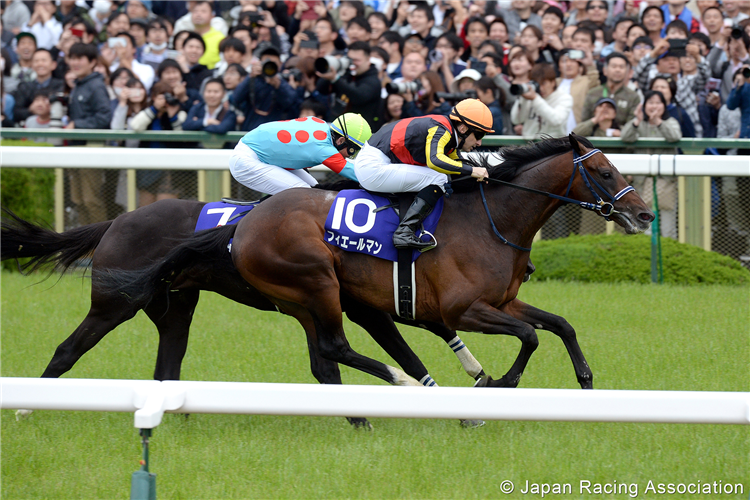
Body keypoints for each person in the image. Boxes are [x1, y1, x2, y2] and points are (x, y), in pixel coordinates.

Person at [354, 99, 493, 250]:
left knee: (443, 175)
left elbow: (458, 164)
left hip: (378, 162)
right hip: (373, 167)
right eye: (479, 135)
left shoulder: (449, 137)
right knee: (439, 177)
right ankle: (404, 232)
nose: (479, 142)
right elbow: (435, 160)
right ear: (464, 128)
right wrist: (473, 171)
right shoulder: (441, 129)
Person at [228, 113, 372, 195]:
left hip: (260, 153)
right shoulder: (322, 149)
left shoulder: (321, 124)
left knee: (318, 191)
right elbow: (354, 172)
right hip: (247, 160)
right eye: (352, 151)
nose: (350, 156)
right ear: (341, 140)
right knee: (305, 196)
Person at [621, 90, 682, 238]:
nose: (654, 106)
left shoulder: (670, 122)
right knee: (644, 225)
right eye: (650, 102)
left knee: (668, 227)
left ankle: (667, 256)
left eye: (658, 102)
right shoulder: (639, 123)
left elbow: (674, 137)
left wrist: (658, 122)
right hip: (642, 182)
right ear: (644, 105)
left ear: (664, 105)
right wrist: (636, 120)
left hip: (666, 182)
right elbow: (625, 137)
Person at [65, 41, 113, 225]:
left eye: (80, 58)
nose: (75, 62)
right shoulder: (79, 84)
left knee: (91, 200)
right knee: (79, 200)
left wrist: (76, 124)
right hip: (77, 148)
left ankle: (98, 246)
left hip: (91, 148)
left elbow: (104, 118)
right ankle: (83, 247)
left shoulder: (96, 85)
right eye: (72, 58)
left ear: (93, 61)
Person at [130, 80, 189, 206]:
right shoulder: (147, 112)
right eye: (161, 97)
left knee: (165, 210)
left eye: (168, 96)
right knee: (145, 210)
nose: (165, 101)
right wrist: (154, 109)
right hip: (147, 166)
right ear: (153, 97)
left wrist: (172, 116)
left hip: (171, 169)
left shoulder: (180, 113)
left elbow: (182, 137)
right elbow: (135, 126)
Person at [316, 41, 383, 131]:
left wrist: (336, 79)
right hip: (337, 127)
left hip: (360, 132)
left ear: (368, 60)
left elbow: (359, 96)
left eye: (356, 60)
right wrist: (330, 72)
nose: (352, 63)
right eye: (349, 59)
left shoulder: (373, 81)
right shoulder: (345, 74)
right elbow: (321, 89)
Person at [511, 62, 573, 139]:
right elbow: (516, 120)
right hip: (530, 146)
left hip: (553, 146)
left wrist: (535, 99)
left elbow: (556, 120)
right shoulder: (530, 95)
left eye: (544, 83)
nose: (540, 88)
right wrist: (523, 99)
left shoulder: (564, 98)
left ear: (553, 82)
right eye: (538, 84)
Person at [581, 52, 640, 126]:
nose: (618, 70)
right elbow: (584, 121)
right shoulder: (593, 93)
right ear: (605, 70)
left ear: (627, 72)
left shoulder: (633, 97)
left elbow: (632, 125)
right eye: (614, 66)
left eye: (621, 67)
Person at [11, 47, 62, 125]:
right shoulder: (24, 86)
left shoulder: (61, 86)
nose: (40, 64)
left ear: (53, 65)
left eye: (44, 60)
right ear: (31, 65)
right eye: (36, 61)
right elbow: (16, 113)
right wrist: (31, 110)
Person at [183, 77, 237, 144]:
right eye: (209, 91)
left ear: (224, 94)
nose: (212, 95)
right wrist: (208, 121)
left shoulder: (229, 113)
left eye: (216, 92)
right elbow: (186, 125)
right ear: (203, 92)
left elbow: (222, 129)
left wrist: (197, 125)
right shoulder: (197, 108)